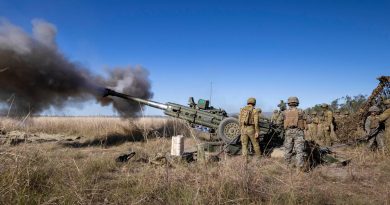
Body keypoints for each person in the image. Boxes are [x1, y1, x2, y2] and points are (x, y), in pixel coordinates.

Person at [277, 96, 307, 170]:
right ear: (297, 103)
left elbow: (278, 122)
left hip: (288, 132)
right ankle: (299, 169)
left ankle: (287, 167)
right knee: (299, 151)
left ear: (289, 103)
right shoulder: (301, 111)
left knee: (288, 149)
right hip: (299, 132)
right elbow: (309, 120)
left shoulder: (284, 112)